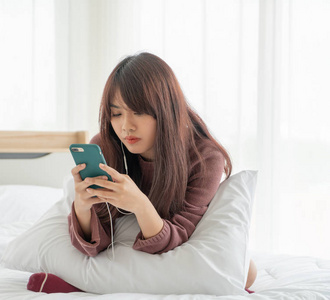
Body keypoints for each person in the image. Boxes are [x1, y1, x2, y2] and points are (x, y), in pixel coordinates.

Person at [27, 52, 257, 293]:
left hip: (178, 236)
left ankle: (83, 285)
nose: (126, 126)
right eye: (116, 113)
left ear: (166, 109)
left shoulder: (204, 157)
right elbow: (96, 244)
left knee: (247, 273)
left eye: (138, 111)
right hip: (133, 238)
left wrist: (140, 205)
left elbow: (180, 234)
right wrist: (83, 208)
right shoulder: (106, 146)